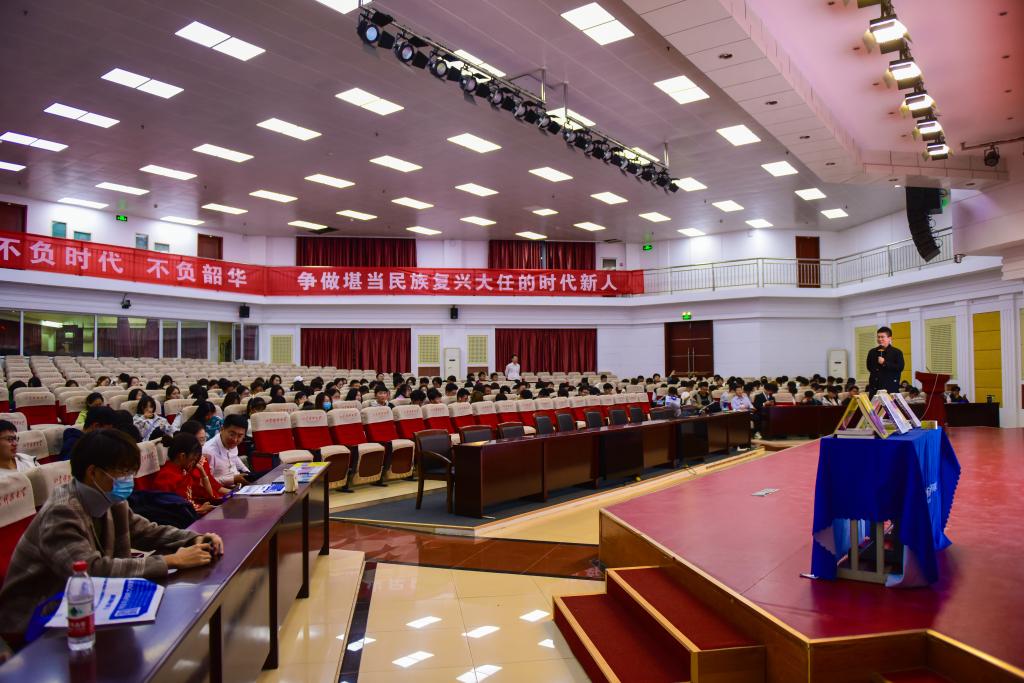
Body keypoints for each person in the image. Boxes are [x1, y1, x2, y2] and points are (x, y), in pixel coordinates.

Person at [0, 429, 224, 636]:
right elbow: (90, 571)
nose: (129, 480)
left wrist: (194, 538)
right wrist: (172, 560)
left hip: (86, 605)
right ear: (93, 472)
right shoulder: (61, 511)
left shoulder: (110, 499)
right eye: (123, 472)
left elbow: (146, 531)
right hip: (37, 618)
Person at [153, 433, 214, 515]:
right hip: (182, 518)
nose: (194, 463)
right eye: (193, 460)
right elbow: (166, 509)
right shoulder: (166, 476)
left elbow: (209, 494)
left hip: (191, 512)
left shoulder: (183, 470)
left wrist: (202, 472)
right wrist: (198, 510)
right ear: (182, 456)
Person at [202, 414, 251, 488]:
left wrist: (249, 474)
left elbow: (235, 458)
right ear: (222, 429)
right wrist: (233, 479)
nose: (235, 440)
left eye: (240, 436)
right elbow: (207, 482)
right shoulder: (208, 451)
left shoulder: (232, 443)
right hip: (222, 490)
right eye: (232, 434)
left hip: (239, 485)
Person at [866, 326, 905, 397]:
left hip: (890, 388)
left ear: (889, 338)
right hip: (875, 388)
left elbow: (900, 367)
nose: (880, 339)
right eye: (878, 337)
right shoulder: (872, 352)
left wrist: (884, 363)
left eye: (882, 337)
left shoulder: (896, 352)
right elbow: (869, 367)